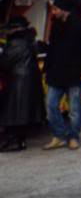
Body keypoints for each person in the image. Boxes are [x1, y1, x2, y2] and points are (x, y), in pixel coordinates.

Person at [41, 0, 81, 150]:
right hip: (56, 72)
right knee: (50, 106)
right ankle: (59, 135)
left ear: (64, 10)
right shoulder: (56, 25)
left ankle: (73, 137)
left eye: (56, 9)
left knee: (74, 110)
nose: (54, 12)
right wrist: (46, 69)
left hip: (75, 73)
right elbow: (52, 49)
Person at [0, 16, 44, 152]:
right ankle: (19, 140)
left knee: (14, 112)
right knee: (20, 112)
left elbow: (4, 63)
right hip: (27, 80)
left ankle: (15, 141)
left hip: (18, 81)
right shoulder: (29, 40)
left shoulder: (16, 43)